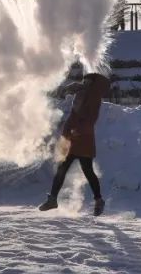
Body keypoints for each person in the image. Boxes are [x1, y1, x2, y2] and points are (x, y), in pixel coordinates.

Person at [39, 73, 110, 216]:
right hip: (71, 137)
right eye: (84, 80)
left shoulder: (93, 97)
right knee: (63, 168)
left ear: (93, 83)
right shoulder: (84, 93)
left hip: (82, 139)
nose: (84, 82)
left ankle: (98, 200)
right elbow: (75, 113)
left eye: (87, 81)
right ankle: (53, 199)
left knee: (87, 171)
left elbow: (90, 120)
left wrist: (77, 131)